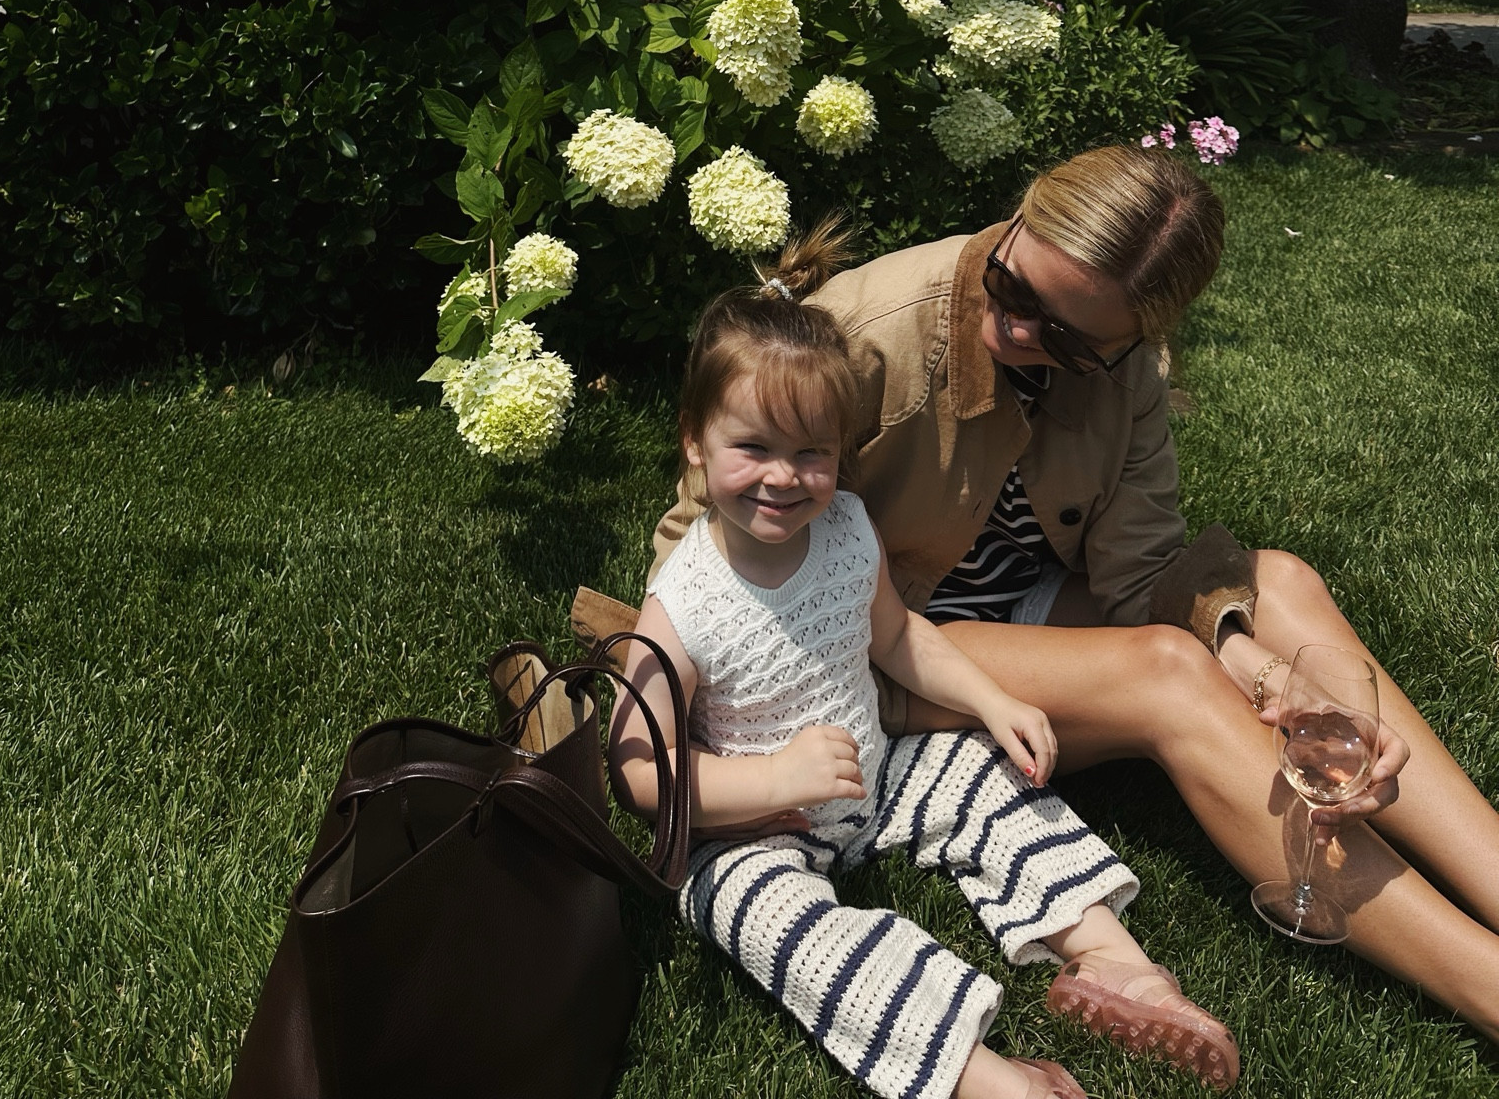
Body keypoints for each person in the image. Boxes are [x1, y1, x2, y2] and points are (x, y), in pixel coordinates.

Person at [603, 143, 1499, 1042]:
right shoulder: (868, 334)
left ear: (1132, 341)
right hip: (866, 646)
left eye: (1066, 337)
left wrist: (1269, 678)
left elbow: (1145, 572)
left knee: (1281, 587)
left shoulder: (1127, 378)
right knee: (1169, 670)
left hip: (1015, 615)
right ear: (1019, 220)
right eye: (1010, 285)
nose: (1017, 329)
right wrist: (703, 738)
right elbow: (699, 552)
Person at [611, 248, 1241, 1099]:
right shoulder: (682, 600)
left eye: (812, 453)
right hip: (751, 827)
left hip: (876, 772)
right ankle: (986, 1075)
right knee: (758, 919)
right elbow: (639, 770)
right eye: (751, 447)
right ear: (693, 442)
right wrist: (772, 778)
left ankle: (1110, 962)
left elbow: (900, 637)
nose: (785, 477)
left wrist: (993, 698)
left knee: (988, 780)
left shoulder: (843, 528)